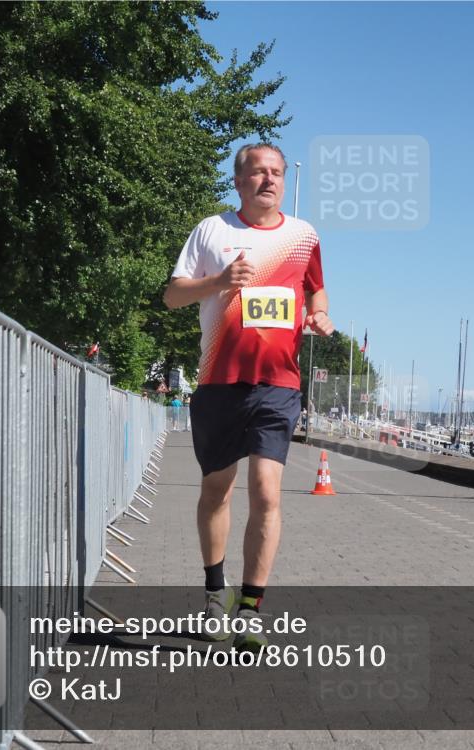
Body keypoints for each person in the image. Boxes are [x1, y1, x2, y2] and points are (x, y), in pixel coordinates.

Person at [163, 143, 334, 651]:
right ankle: (216, 594)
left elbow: (316, 289)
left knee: (266, 492)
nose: (269, 180)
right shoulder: (212, 231)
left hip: (278, 384)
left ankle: (251, 609)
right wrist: (217, 282)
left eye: (276, 173)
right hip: (219, 381)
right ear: (238, 182)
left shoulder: (304, 236)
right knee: (216, 492)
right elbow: (172, 296)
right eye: (258, 173)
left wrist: (320, 314)